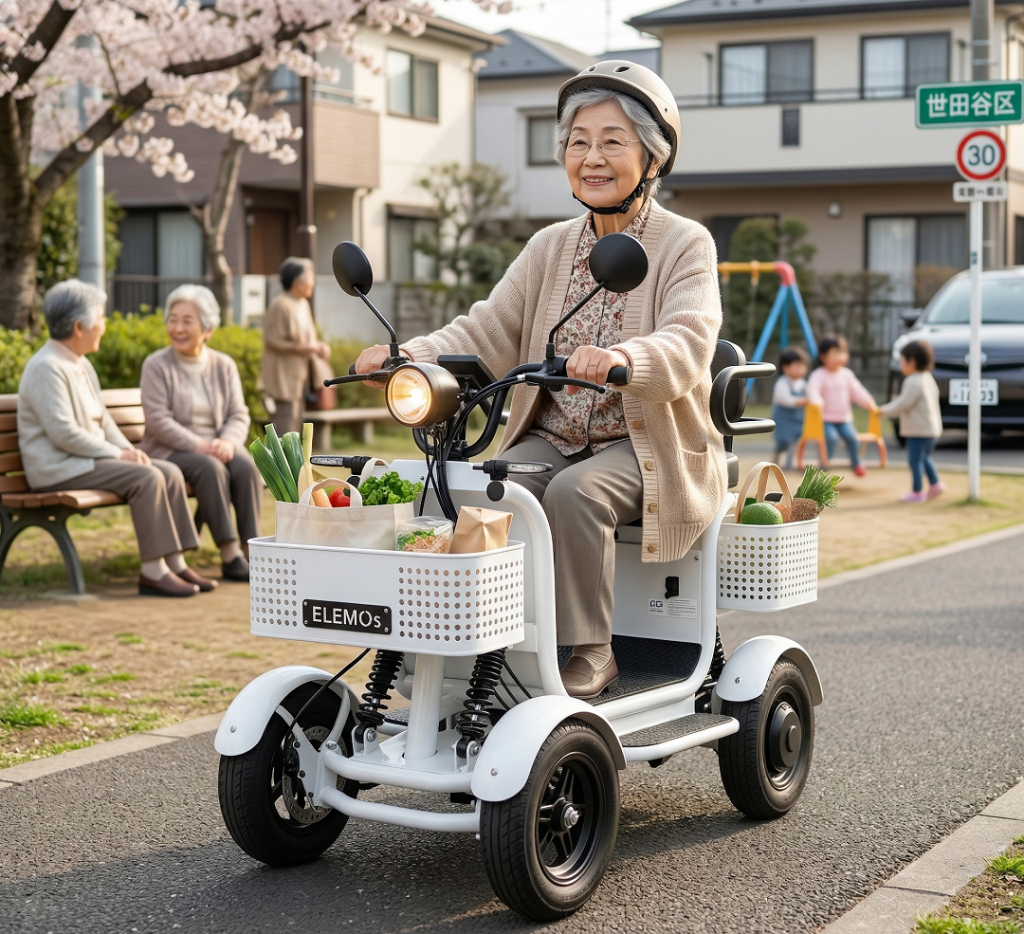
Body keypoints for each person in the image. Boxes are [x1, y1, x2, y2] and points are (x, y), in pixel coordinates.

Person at [355, 62, 726, 700]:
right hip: (553, 436)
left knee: (576, 494)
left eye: (612, 141)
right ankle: (471, 636)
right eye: (578, 142)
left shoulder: (685, 244)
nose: (592, 157)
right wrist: (408, 355)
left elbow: (690, 339)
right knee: (476, 488)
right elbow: (485, 329)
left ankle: (592, 651)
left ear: (653, 156)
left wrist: (624, 358)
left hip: (648, 446)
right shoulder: (549, 247)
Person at [17, 280, 211, 597]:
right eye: (100, 318)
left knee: (168, 471)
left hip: (86, 461)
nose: (104, 326)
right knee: (147, 478)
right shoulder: (46, 368)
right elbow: (63, 433)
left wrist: (128, 450)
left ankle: (175, 564)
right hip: (59, 468)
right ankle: (153, 572)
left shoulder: (80, 362)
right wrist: (118, 455)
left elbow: (104, 421)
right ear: (79, 327)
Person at [139, 285, 260, 582]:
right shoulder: (156, 365)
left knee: (245, 466)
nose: (177, 328)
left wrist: (228, 442)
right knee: (210, 467)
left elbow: (238, 413)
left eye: (187, 321)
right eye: (172, 320)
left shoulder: (223, 365)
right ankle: (230, 554)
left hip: (217, 447)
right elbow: (157, 421)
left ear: (208, 329)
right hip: (170, 450)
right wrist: (200, 445)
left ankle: (252, 550)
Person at [261, 257, 331, 436]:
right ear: (297, 282)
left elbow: (309, 338)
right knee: (287, 425)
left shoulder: (302, 303)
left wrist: (318, 347)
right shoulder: (280, 304)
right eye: (310, 278)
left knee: (297, 422)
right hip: (283, 376)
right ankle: (284, 456)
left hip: (299, 376)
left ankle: (294, 455)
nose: (312, 283)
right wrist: (306, 348)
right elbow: (272, 340)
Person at [881, 340, 945, 503]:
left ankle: (917, 492)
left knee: (915, 461)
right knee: (925, 458)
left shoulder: (912, 381)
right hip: (932, 429)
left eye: (902, 361)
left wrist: (883, 411)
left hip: (918, 431)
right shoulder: (927, 377)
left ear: (912, 362)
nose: (901, 365)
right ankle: (935, 484)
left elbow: (903, 403)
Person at [806, 336, 877, 478]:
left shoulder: (847, 375)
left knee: (853, 439)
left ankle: (856, 463)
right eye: (835, 353)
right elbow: (812, 390)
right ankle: (824, 464)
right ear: (823, 356)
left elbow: (857, 391)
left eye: (843, 352)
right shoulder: (818, 375)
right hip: (825, 419)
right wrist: (816, 401)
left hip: (844, 419)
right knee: (830, 438)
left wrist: (868, 401)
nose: (840, 356)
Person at [771, 346, 809, 470]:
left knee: (795, 442)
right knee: (783, 441)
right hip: (784, 420)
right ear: (786, 367)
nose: (800, 368)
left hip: (798, 420)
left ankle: (789, 464)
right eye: (796, 365)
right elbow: (784, 399)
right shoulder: (782, 383)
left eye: (802, 366)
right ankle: (776, 457)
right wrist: (801, 401)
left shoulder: (804, 384)